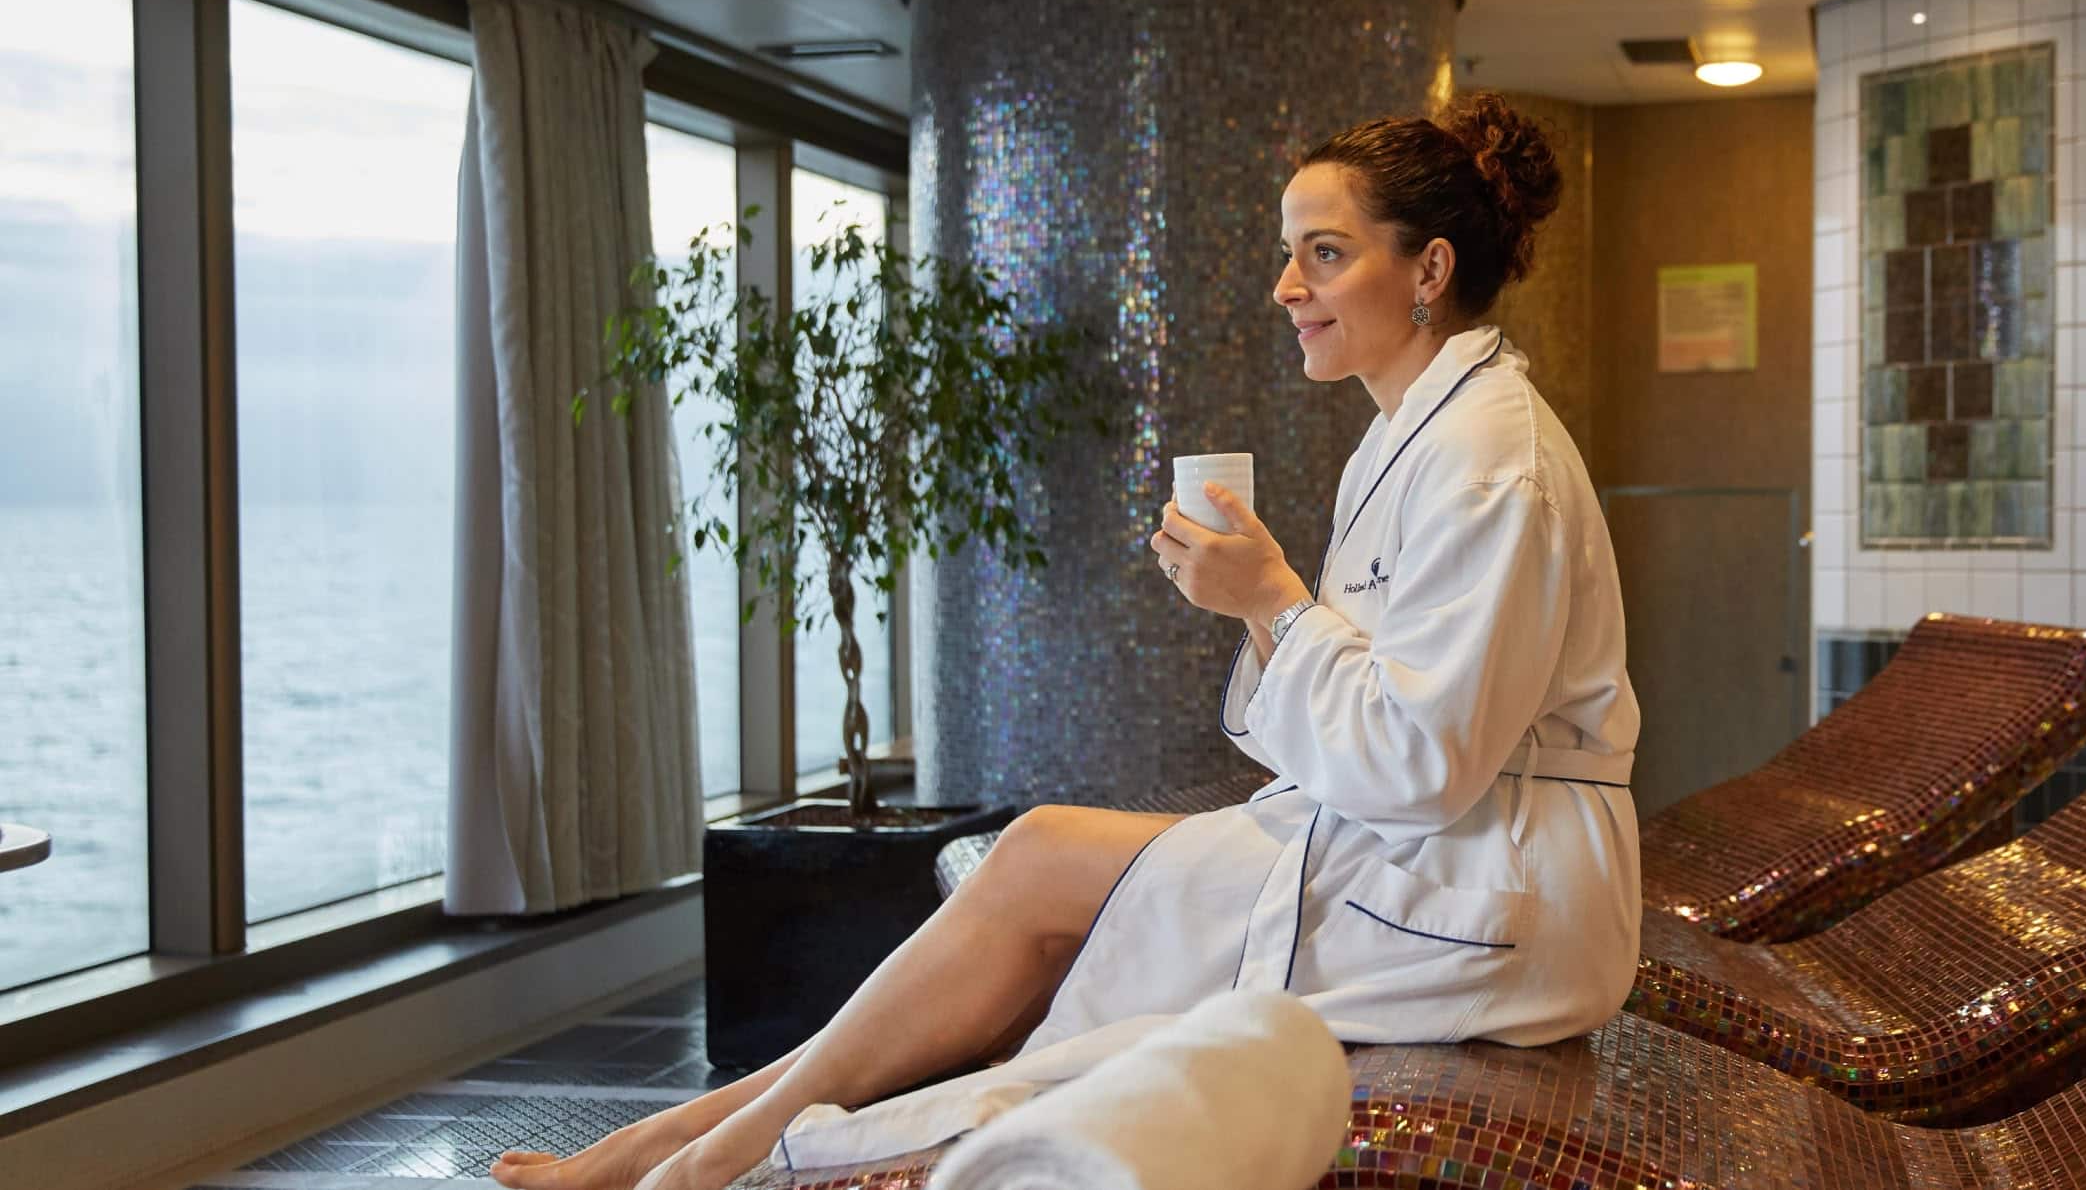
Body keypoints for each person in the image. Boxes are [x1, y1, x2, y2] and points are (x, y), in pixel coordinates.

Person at [491, 91, 1640, 1190]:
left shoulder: (1492, 461)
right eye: (1291, 252)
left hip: (1489, 893)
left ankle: (704, 1152)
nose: (1288, 285)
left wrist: (1277, 600)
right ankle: (692, 1138)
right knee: (1036, 862)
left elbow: (1426, 760)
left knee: (1037, 875)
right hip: (1421, 849)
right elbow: (1375, 723)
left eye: (1326, 253)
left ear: (1429, 269)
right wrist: (1251, 601)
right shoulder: (1417, 435)